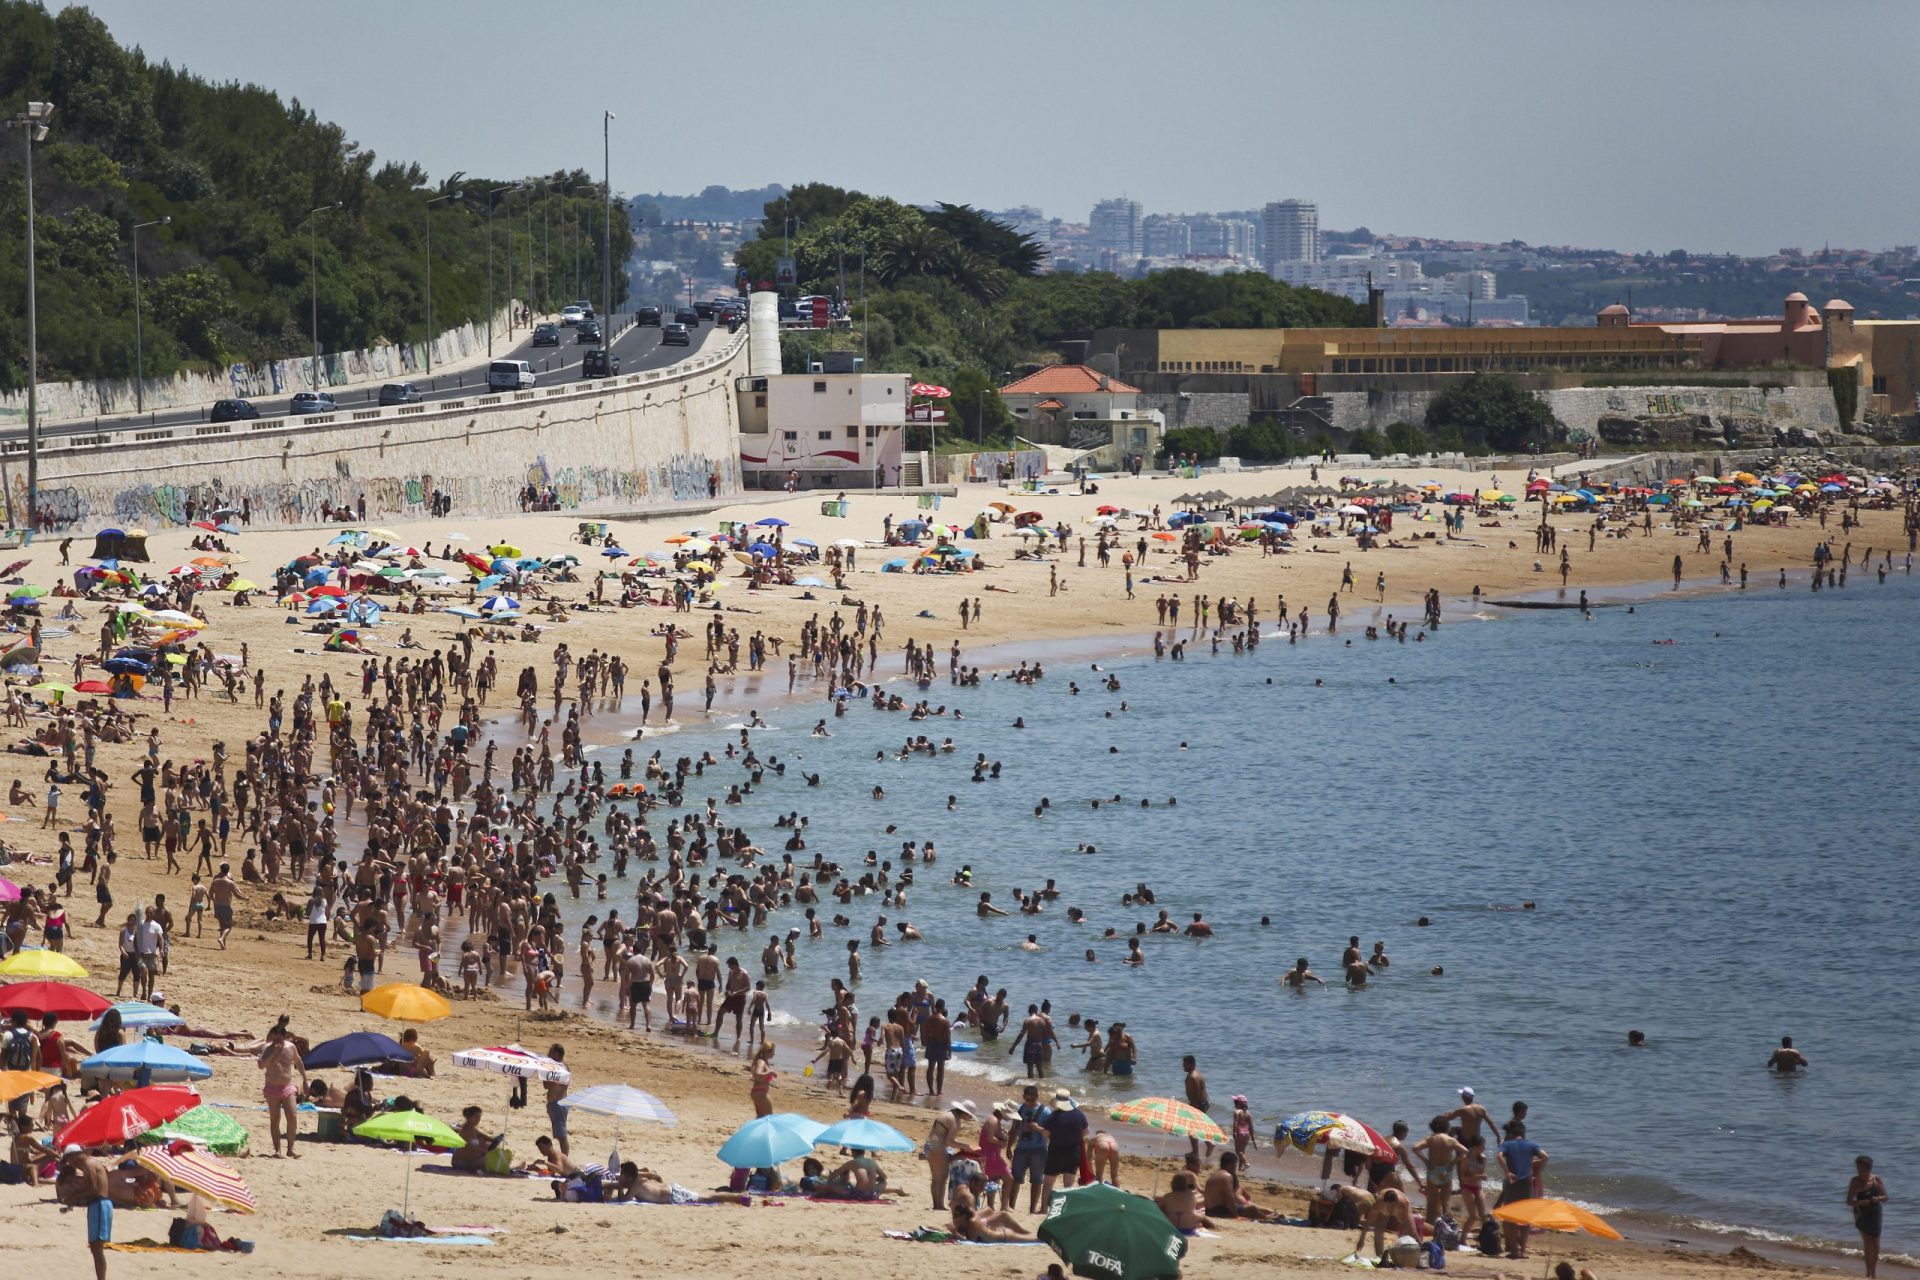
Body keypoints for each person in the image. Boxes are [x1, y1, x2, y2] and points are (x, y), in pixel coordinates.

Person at [1496, 1121, 1547, 1258]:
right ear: (1523, 1133)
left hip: (1512, 1182)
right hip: (1526, 1184)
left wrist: (1507, 1172)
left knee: (1510, 1216)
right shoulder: (1531, 1145)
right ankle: (1523, 1250)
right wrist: (1535, 1174)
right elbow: (1545, 1157)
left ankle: (1513, 1249)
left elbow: (1498, 1156)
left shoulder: (1507, 1144)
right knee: (1525, 1218)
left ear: (1512, 1134)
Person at [257, 1021, 306, 1158]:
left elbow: (298, 1062)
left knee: (292, 1116)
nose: (276, 1040)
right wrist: (274, 1053)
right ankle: (277, 1150)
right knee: (275, 1118)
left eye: (279, 1038)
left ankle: (290, 1149)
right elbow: (262, 1065)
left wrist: (305, 1079)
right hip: (272, 1087)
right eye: (274, 1037)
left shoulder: (291, 1047)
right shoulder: (267, 1048)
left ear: (284, 1037)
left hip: (287, 1087)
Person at [64, 1143, 111, 1280]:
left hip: (100, 1205)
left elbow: (95, 1190)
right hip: (97, 1204)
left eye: (69, 1160)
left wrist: (73, 1197)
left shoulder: (89, 1164)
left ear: (73, 1156)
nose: (70, 1164)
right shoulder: (89, 1164)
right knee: (95, 1247)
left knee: (97, 1248)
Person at [921, 1099, 973, 1210]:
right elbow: (950, 1142)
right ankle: (939, 1205)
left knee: (935, 1178)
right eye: (970, 1115)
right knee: (942, 1178)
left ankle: (936, 1204)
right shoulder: (956, 1121)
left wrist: (959, 1145)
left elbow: (945, 1136)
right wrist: (964, 1146)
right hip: (938, 1147)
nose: (971, 1118)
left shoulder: (947, 1113)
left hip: (929, 1145)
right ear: (965, 1113)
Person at [1041, 1088, 1088, 1199]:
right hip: (1073, 1152)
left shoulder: (1054, 1116)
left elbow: (1045, 1134)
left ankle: (1043, 1208)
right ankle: (1064, 1210)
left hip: (1056, 1151)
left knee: (1048, 1183)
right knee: (1068, 1186)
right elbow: (1086, 1132)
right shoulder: (1079, 1115)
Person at [1848, 1155, 1887, 1278]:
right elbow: (1849, 1201)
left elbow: (1886, 1197)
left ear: (1868, 1168)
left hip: (1875, 1213)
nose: (1859, 1170)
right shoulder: (1855, 1181)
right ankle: (1868, 1270)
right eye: (1858, 1167)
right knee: (1867, 1241)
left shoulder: (1876, 1180)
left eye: (1861, 1168)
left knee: (1875, 1242)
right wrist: (1860, 1202)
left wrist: (1878, 1198)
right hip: (1861, 1213)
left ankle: (1874, 1270)